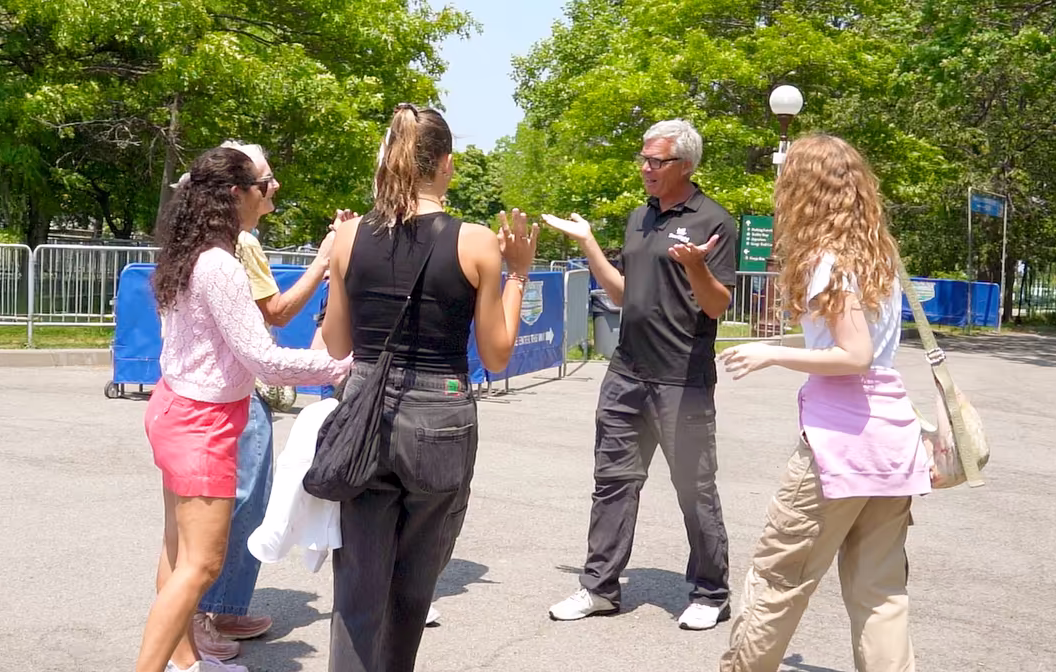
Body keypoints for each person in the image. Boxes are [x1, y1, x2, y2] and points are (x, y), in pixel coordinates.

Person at [320, 103, 538, 672]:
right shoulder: (474, 242)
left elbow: (338, 345)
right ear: (446, 163)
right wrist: (518, 274)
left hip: (364, 409)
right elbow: (496, 353)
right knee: (413, 588)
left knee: (357, 590)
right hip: (439, 414)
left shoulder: (347, 236)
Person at [717, 134, 932, 671]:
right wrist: (777, 345)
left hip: (839, 446)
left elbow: (853, 354)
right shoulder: (879, 257)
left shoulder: (828, 263)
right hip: (891, 441)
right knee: (880, 593)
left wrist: (773, 357)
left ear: (803, 190)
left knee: (779, 577)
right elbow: (863, 349)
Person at [137, 145, 353, 672]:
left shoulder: (194, 254)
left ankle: (187, 661)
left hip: (178, 410)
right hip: (201, 423)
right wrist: (338, 367)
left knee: (178, 555)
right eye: (264, 183)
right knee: (203, 564)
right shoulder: (221, 266)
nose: (272, 189)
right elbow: (263, 359)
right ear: (236, 195)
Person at [541, 119, 739, 631]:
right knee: (612, 483)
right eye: (643, 159)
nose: (646, 168)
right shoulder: (639, 218)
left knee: (693, 488)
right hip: (627, 374)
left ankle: (711, 593)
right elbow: (623, 296)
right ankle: (599, 589)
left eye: (657, 161)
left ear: (685, 165)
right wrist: (588, 242)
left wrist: (697, 266)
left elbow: (717, 305)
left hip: (682, 380)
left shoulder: (714, 221)